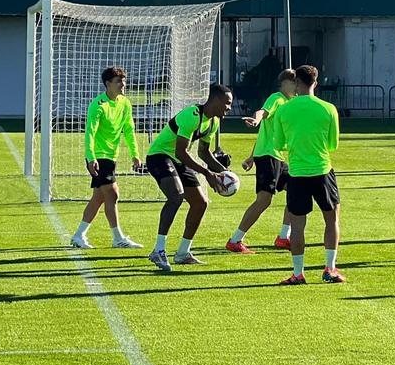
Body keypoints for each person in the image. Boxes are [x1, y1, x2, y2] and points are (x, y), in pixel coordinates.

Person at [144, 84, 234, 271]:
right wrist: (207, 173)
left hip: (178, 160)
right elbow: (181, 151)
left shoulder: (213, 122)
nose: (229, 108)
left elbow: (204, 153)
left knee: (201, 203)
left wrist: (224, 172)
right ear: (215, 100)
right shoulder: (192, 115)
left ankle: (183, 253)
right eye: (227, 103)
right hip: (160, 156)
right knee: (176, 197)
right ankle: (158, 250)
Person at [272, 65, 343, 285]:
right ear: (316, 82)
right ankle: (329, 269)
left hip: (297, 173)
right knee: (331, 220)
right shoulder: (328, 108)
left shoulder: (284, 109)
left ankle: (298, 273)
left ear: (296, 83)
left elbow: (279, 143)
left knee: (297, 226)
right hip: (322, 170)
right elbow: (333, 144)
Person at [226, 69, 298, 254]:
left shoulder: (292, 103)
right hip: (269, 157)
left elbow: (265, 134)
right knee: (263, 200)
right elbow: (262, 113)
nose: (298, 87)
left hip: (277, 157)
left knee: (297, 191)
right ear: (285, 83)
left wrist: (251, 157)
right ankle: (235, 240)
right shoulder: (277, 97)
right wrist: (256, 120)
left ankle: (284, 237)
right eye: (295, 83)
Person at [70, 67, 143, 250]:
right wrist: (90, 157)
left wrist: (135, 154)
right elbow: (90, 133)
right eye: (118, 81)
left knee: (99, 198)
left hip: (111, 157)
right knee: (113, 194)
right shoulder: (98, 105)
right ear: (108, 84)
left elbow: (129, 129)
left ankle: (79, 235)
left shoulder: (125, 103)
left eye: (123, 81)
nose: (123, 84)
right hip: (98, 157)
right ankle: (118, 238)